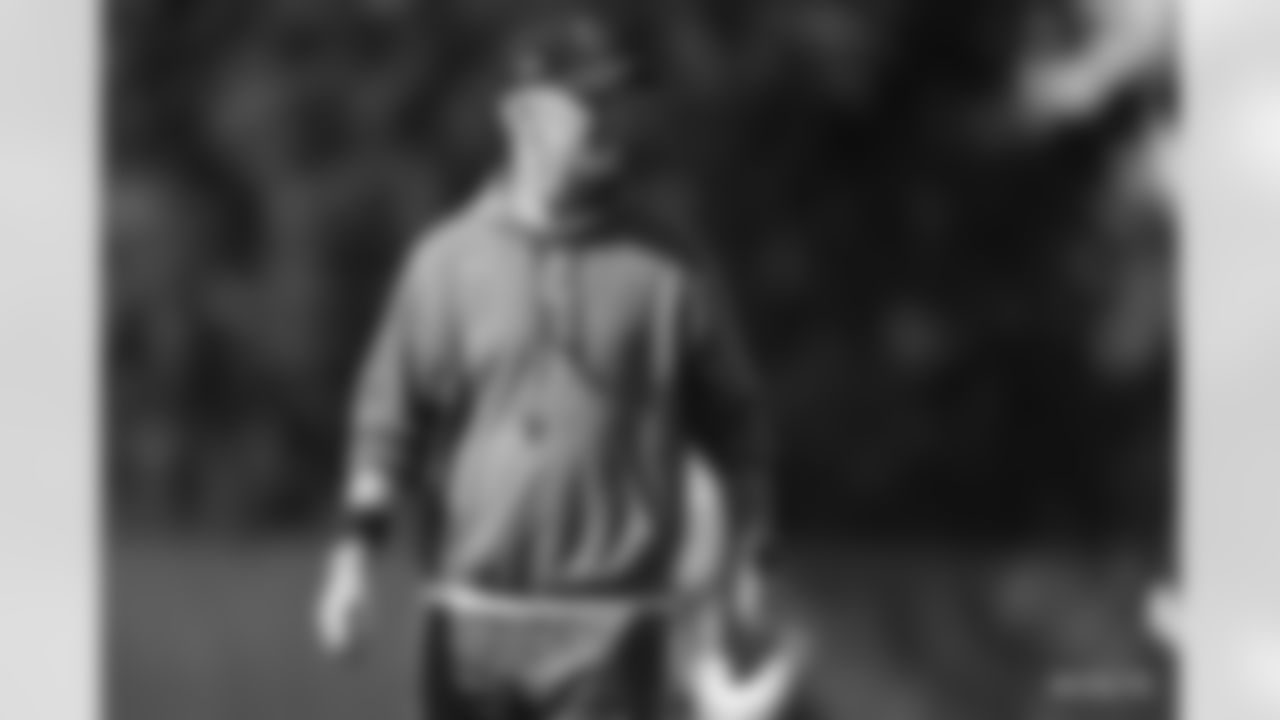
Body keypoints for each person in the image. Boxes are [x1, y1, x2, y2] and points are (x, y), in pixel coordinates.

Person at [312, 13, 771, 720]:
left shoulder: (668, 269)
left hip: (612, 635)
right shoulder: (447, 264)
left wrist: (749, 567)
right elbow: (386, 428)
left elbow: (739, 430)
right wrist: (353, 561)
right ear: (520, 115)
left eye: (620, 100)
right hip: (468, 628)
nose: (612, 119)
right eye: (590, 99)